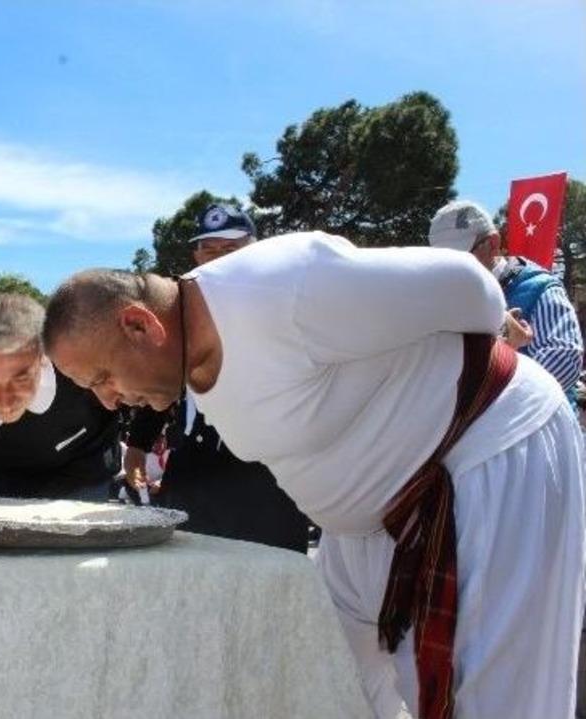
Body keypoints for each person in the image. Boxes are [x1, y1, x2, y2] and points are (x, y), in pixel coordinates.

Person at [43, 232, 584, 719]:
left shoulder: (279, 288)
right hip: (365, 526)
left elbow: (472, 290)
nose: (107, 398)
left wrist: (428, 398)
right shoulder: (191, 352)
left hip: (484, 459)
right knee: (328, 681)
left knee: (493, 697)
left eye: (103, 375)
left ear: (140, 324)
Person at [124, 204, 309, 552]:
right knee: (187, 580)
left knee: (274, 586)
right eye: (208, 250)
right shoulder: (179, 313)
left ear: (253, 250)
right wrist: (137, 447)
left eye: (230, 250)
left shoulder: (286, 305)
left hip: (269, 475)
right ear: (196, 255)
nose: (217, 259)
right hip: (193, 472)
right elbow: (161, 382)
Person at [0, 293, 122, 500]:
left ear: (43, 358)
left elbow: (150, 384)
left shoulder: (81, 353)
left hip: (83, 461)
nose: (5, 401)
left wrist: (139, 443)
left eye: (20, 379)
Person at [428, 199, 583, 403]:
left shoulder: (540, 288)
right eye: (440, 261)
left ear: (493, 244)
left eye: (460, 259)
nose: (449, 270)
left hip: (533, 427)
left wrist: (500, 358)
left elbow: (563, 363)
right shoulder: (445, 297)